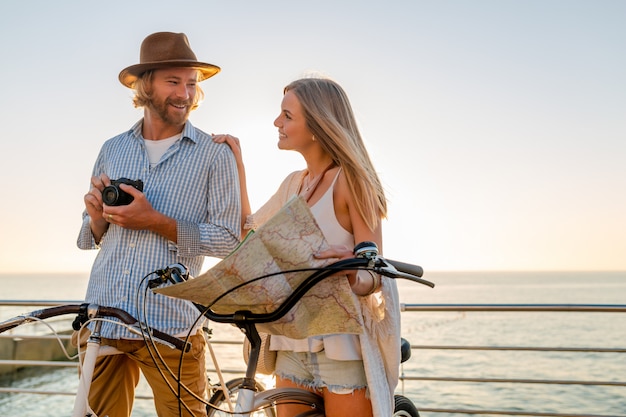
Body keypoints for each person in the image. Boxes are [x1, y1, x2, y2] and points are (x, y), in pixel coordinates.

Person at [214, 77, 401, 417]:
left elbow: (373, 275)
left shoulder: (352, 180)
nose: (277, 123)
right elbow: (249, 237)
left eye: (286, 115)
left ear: (316, 125)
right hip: (291, 345)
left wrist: (353, 269)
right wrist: (237, 166)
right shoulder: (293, 185)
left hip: (341, 349)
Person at [76, 32, 241, 417]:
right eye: (173, 81)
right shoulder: (112, 148)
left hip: (173, 326)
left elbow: (229, 241)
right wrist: (98, 217)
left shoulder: (214, 155)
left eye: (192, 83)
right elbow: (91, 234)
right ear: (145, 84)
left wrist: (155, 221)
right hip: (105, 318)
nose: (185, 93)